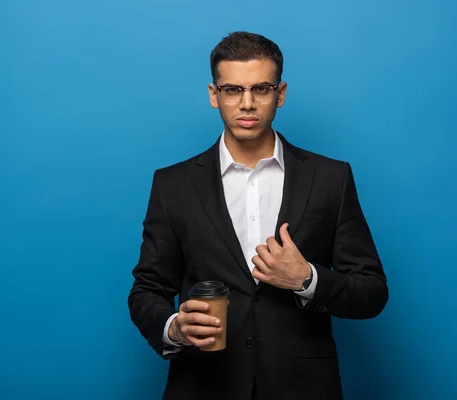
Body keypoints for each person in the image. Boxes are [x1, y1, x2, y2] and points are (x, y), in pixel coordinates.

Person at [128, 31, 388, 400]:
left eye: (261, 89)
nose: (247, 103)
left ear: (279, 94)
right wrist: (173, 326)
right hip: (203, 384)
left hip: (303, 388)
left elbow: (373, 291)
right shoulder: (173, 184)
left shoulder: (331, 178)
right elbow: (147, 289)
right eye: (232, 90)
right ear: (213, 96)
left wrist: (307, 279)